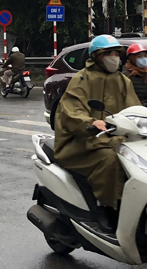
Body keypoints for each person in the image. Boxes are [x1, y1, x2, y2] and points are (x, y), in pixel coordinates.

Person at [54, 35, 140, 230]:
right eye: (108, 53)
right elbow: (71, 111)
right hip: (81, 142)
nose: (113, 57)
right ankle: (104, 207)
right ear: (97, 56)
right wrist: (91, 123)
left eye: (116, 53)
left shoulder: (123, 81)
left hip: (114, 139)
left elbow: (134, 109)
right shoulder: (82, 79)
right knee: (110, 160)